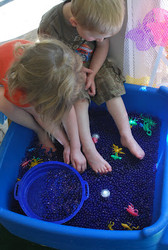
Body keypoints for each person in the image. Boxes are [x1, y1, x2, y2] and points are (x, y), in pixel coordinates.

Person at [38, 0, 145, 174]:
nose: (101, 39)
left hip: (93, 63)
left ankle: (126, 134)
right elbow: (53, 61)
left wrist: (93, 72)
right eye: (96, 37)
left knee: (110, 85)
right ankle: (88, 148)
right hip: (65, 69)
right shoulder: (50, 26)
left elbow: (103, 46)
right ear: (74, 23)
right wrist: (77, 71)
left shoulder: (98, 19)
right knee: (78, 97)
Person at [0, 39, 87, 172]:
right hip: (7, 83)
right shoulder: (20, 93)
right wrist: (62, 141)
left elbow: (67, 109)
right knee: (3, 102)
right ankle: (40, 132)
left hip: (25, 70)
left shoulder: (51, 60)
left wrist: (73, 147)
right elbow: (39, 114)